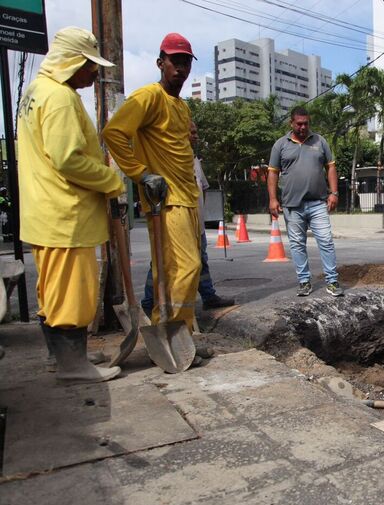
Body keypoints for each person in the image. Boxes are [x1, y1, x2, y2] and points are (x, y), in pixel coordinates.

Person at [17, 27, 124, 384]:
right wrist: (111, 181)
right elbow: (67, 159)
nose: (94, 73)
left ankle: (62, 356)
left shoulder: (36, 91)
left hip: (44, 212)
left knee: (52, 292)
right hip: (65, 215)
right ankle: (72, 366)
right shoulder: (60, 98)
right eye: (89, 65)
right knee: (72, 295)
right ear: (71, 62)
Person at [103, 33, 201, 330]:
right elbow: (114, 133)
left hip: (188, 196)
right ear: (161, 63)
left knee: (173, 270)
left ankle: (178, 331)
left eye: (185, 62)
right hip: (167, 199)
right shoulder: (148, 96)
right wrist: (141, 174)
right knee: (187, 267)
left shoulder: (181, 106)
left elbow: (176, 143)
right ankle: (174, 330)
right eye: (175, 61)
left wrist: (189, 139)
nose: (180, 68)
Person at [141, 121, 234, 314]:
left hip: (196, 222)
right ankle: (150, 302)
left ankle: (208, 296)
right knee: (162, 262)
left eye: (196, 132)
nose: (196, 136)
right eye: (192, 132)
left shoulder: (194, 160)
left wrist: (199, 213)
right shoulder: (169, 160)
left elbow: (203, 188)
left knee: (201, 261)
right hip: (175, 222)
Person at [267, 106, 343, 297]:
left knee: (326, 241)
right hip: (292, 205)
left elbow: (331, 167)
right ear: (291, 123)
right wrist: (273, 199)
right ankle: (304, 282)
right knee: (297, 244)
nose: (303, 127)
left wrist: (334, 193)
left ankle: (332, 281)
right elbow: (273, 173)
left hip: (318, 203)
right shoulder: (280, 145)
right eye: (299, 124)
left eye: (306, 123)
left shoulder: (320, 141)